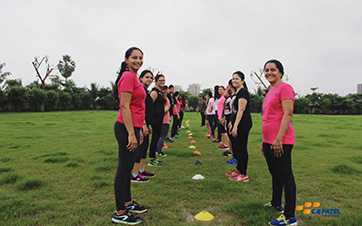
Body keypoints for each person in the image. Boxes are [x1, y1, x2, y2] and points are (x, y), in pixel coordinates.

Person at [112, 47, 147, 225]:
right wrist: (132, 134)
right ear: (126, 60)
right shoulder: (127, 77)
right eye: (134, 57)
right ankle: (120, 212)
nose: (138, 60)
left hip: (133, 127)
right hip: (126, 128)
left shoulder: (133, 77)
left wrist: (138, 131)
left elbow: (138, 107)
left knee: (127, 169)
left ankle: (127, 203)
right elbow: (125, 107)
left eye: (141, 58)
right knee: (124, 169)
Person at [261, 60, 297, 226]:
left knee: (285, 176)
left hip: (281, 141)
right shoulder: (270, 91)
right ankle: (276, 203)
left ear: (281, 73)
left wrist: (278, 139)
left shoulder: (285, 88)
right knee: (275, 174)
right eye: (267, 70)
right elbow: (267, 117)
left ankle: (290, 217)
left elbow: (287, 114)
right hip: (269, 141)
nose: (269, 73)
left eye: (273, 70)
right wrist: (264, 141)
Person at [225, 71, 252, 182]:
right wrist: (231, 122)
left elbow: (241, 110)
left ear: (243, 81)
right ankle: (238, 169)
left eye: (237, 78)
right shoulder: (236, 93)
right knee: (236, 147)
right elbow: (234, 111)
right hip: (236, 122)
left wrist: (236, 125)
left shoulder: (243, 92)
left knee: (241, 148)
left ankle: (243, 174)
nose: (234, 80)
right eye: (233, 79)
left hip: (243, 123)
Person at [131, 70, 156, 183]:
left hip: (146, 123)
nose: (149, 80)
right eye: (147, 77)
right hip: (140, 123)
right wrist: (144, 124)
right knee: (140, 148)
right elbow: (141, 109)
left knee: (144, 147)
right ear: (140, 78)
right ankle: (135, 174)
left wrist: (148, 124)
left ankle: (141, 170)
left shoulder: (145, 91)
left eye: (151, 78)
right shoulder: (140, 91)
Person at [148, 74, 166, 167]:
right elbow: (149, 106)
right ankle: (151, 159)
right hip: (154, 120)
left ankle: (154, 157)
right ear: (156, 81)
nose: (162, 82)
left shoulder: (160, 91)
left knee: (157, 138)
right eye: (160, 80)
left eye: (163, 80)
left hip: (159, 119)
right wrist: (149, 122)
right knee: (154, 139)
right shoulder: (154, 92)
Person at [156, 85, 171, 155]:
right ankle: (158, 151)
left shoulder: (159, 98)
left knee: (159, 136)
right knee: (162, 136)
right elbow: (165, 110)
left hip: (159, 120)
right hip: (165, 120)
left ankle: (156, 149)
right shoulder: (166, 99)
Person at [216, 86, 229, 150]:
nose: (220, 91)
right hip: (219, 116)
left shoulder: (224, 98)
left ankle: (226, 144)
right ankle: (224, 143)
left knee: (224, 131)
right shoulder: (220, 97)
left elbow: (224, 108)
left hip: (222, 116)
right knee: (221, 131)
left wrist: (222, 117)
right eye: (219, 90)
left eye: (221, 90)